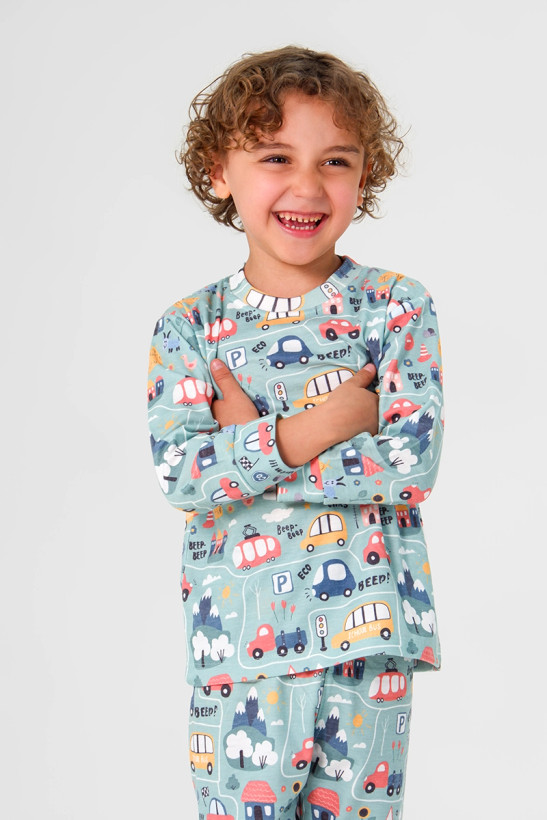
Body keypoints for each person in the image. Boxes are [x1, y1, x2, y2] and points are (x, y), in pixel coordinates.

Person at [148, 46, 444, 820]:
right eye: (276, 157)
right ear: (219, 172)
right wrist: (328, 423)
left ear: (364, 176)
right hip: (238, 641)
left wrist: (253, 448)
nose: (307, 187)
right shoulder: (191, 327)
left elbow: (409, 466)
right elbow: (183, 473)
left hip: (369, 643)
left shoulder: (395, 308)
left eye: (334, 161)